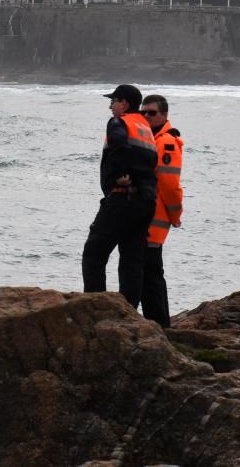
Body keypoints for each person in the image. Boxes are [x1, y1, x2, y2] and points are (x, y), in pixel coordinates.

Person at [82, 85, 159, 308]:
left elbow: (118, 146)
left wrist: (121, 176)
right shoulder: (145, 127)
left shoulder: (119, 122)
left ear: (124, 104)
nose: (110, 106)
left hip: (122, 199)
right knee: (132, 259)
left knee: (94, 253)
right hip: (145, 202)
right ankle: (128, 312)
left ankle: (95, 307)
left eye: (113, 101)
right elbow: (150, 162)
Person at [138, 94, 184, 328]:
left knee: (151, 275)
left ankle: (159, 325)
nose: (146, 116)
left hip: (153, 220)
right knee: (148, 273)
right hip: (145, 218)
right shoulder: (150, 137)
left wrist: (175, 215)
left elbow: (169, 185)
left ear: (164, 115)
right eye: (143, 112)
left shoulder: (165, 141)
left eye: (152, 113)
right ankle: (158, 324)